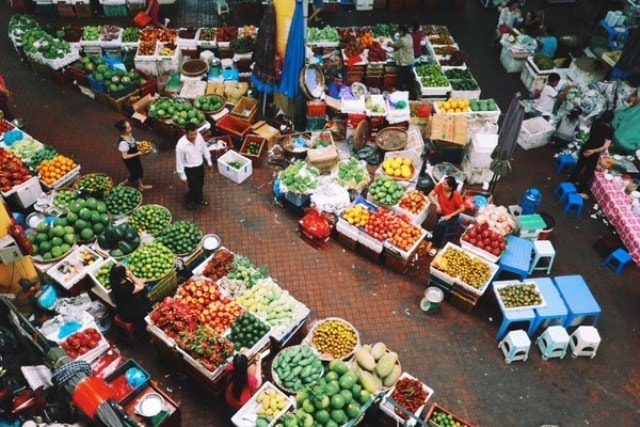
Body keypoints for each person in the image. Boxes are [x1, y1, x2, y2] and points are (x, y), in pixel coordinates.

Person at [569, 110, 614, 199]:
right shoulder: (610, 130)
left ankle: (571, 180)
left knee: (579, 165)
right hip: (593, 152)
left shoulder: (596, 122)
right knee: (588, 172)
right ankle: (579, 190)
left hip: (586, 146)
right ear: (611, 120)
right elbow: (605, 147)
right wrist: (593, 151)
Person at [425, 176, 466, 257]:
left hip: (452, 216)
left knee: (441, 226)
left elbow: (462, 208)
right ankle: (434, 241)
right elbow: (430, 195)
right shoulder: (441, 187)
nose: (442, 185)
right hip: (441, 212)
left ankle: (435, 245)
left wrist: (450, 215)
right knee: (440, 225)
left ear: (450, 187)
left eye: (445, 184)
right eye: (443, 183)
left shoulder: (456, 195)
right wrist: (437, 205)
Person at [175, 123, 213, 211]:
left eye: (195, 133)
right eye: (191, 134)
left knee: (200, 185)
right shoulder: (181, 146)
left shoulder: (199, 136)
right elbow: (179, 161)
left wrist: (209, 161)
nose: (194, 136)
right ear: (186, 133)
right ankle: (189, 200)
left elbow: (204, 148)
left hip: (200, 166)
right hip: (189, 169)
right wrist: (182, 176)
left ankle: (197, 199)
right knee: (195, 187)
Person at [115, 120, 153, 192]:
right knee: (135, 174)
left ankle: (140, 185)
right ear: (123, 130)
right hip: (130, 160)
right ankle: (124, 183)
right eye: (128, 128)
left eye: (130, 126)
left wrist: (139, 142)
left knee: (139, 171)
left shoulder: (128, 134)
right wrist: (138, 153)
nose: (130, 128)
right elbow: (125, 156)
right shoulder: (123, 143)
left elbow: (133, 142)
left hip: (135, 157)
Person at [391, 25, 415, 92]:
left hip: (404, 60)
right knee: (407, 74)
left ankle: (400, 88)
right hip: (410, 59)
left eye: (399, 31)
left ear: (401, 31)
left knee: (401, 75)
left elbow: (395, 45)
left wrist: (390, 44)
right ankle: (407, 87)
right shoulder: (409, 36)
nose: (399, 33)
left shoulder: (402, 40)